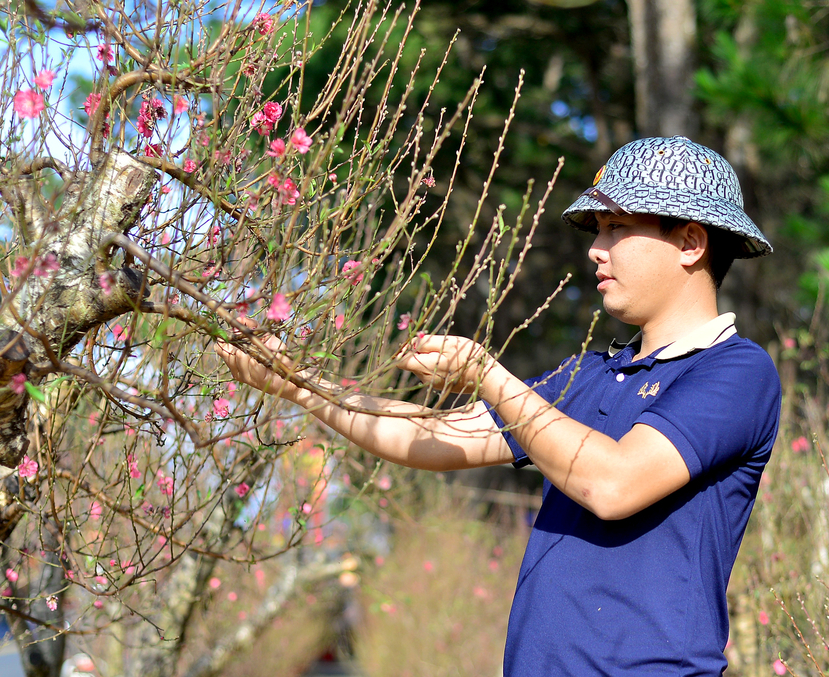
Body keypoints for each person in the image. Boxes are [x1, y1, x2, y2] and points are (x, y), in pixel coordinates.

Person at [218, 135, 782, 676]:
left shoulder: (736, 372)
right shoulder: (591, 375)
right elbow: (436, 438)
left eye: (616, 228)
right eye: (598, 230)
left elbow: (614, 485)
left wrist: (487, 375)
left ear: (690, 243)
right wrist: (299, 384)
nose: (595, 249)